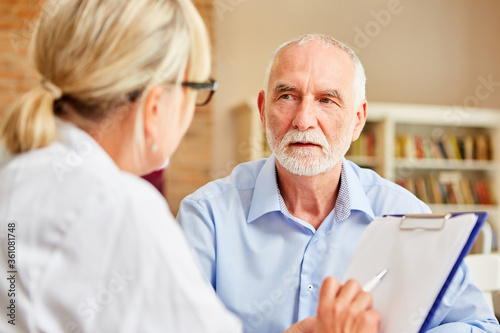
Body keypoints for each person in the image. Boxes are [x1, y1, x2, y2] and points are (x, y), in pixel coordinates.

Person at [0, 1, 382, 332]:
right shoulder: (123, 208)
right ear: (154, 106)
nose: (303, 120)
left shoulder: (16, 172)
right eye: (198, 91)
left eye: (327, 100)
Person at [178, 34, 500, 333]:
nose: (304, 120)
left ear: (358, 119)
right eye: (287, 96)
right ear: (263, 111)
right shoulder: (207, 216)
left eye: (327, 100)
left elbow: (480, 325)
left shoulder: (406, 215)